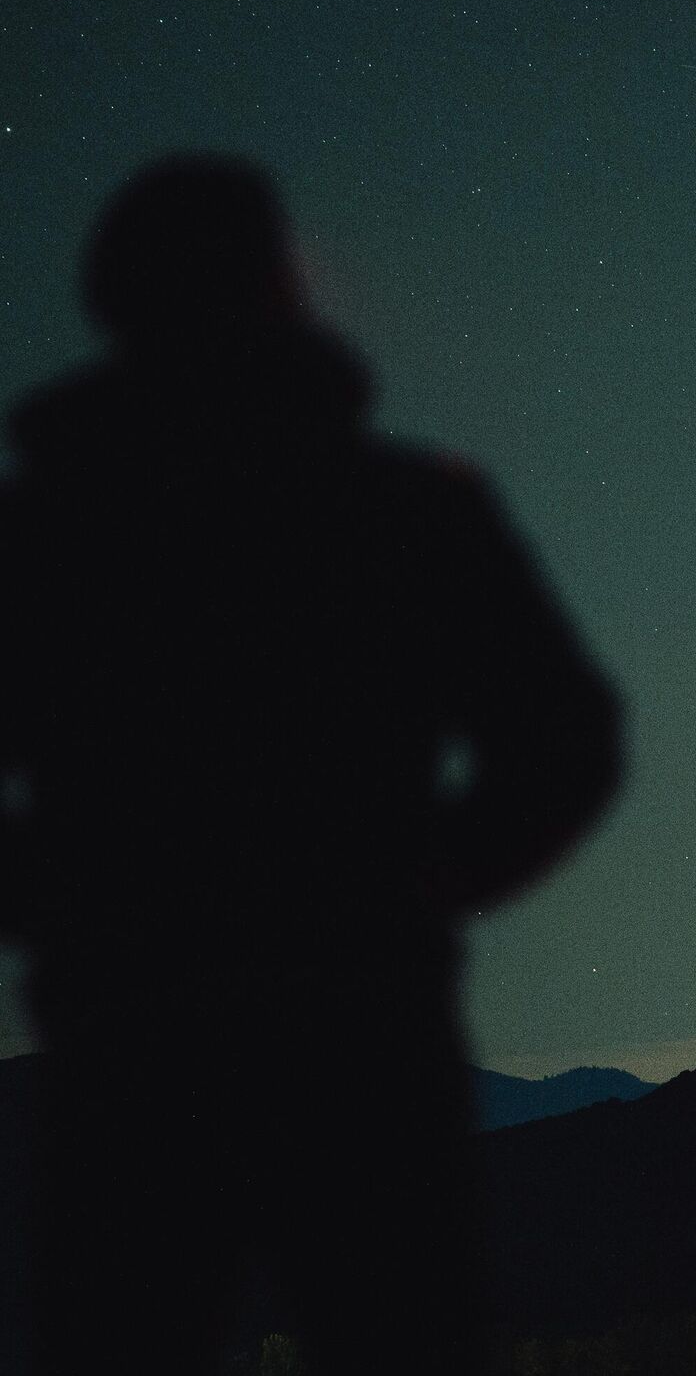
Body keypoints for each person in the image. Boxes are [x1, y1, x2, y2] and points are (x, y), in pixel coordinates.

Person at [0, 155, 625, 1375]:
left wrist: (61, 893)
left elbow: (563, 735)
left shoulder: (45, 539)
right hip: (361, 1034)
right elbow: (565, 736)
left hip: (132, 1039)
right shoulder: (404, 509)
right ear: (277, 286)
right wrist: (426, 877)